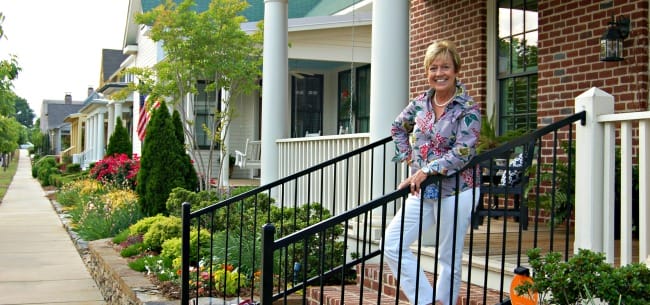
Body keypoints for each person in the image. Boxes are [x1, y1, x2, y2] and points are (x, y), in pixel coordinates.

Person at [383, 40, 481, 305]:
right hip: (422, 189)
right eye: (434, 68)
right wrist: (408, 156)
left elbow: (464, 151)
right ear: (427, 71)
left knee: (448, 256)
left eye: (445, 67)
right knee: (392, 244)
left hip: (458, 189)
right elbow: (397, 128)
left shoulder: (467, 108)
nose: (439, 73)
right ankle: (426, 301)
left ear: (456, 69)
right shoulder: (420, 103)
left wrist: (426, 169)